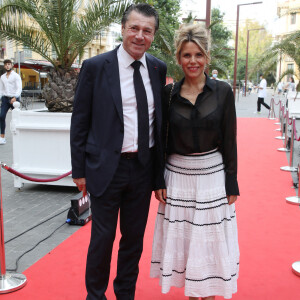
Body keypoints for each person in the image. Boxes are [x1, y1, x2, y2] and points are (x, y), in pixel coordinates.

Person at [70, 3, 167, 300]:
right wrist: (79, 171)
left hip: (142, 170)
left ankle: (125, 294)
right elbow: (80, 122)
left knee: (133, 241)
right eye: (134, 28)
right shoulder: (97, 67)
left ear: (153, 35)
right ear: (123, 29)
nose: (140, 36)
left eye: (147, 31)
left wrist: (159, 175)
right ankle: (95, 296)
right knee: (102, 238)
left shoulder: (157, 68)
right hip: (105, 169)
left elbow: (159, 125)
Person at [150, 23, 240, 300]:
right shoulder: (167, 95)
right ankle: (191, 295)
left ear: (207, 57)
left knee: (210, 247)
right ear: (178, 58)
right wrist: (158, 179)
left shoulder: (223, 92)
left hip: (212, 178)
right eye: (187, 55)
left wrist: (231, 181)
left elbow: (230, 139)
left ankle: (210, 295)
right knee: (188, 244)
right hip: (177, 179)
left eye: (198, 55)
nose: (193, 61)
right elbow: (160, 140)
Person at [0, 59, 22, 145]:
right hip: (5, 99)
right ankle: (2, 137)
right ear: (4, 66)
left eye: (9, 64)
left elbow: (19, 88)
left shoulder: (16, 76)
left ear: (11, 65)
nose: (7, 66)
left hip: (14, 99)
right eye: (6, 64)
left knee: (17, 118)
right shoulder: (2, 77)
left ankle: (20, 136)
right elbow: (1, 90)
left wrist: (15, 97)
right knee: (1, 116)